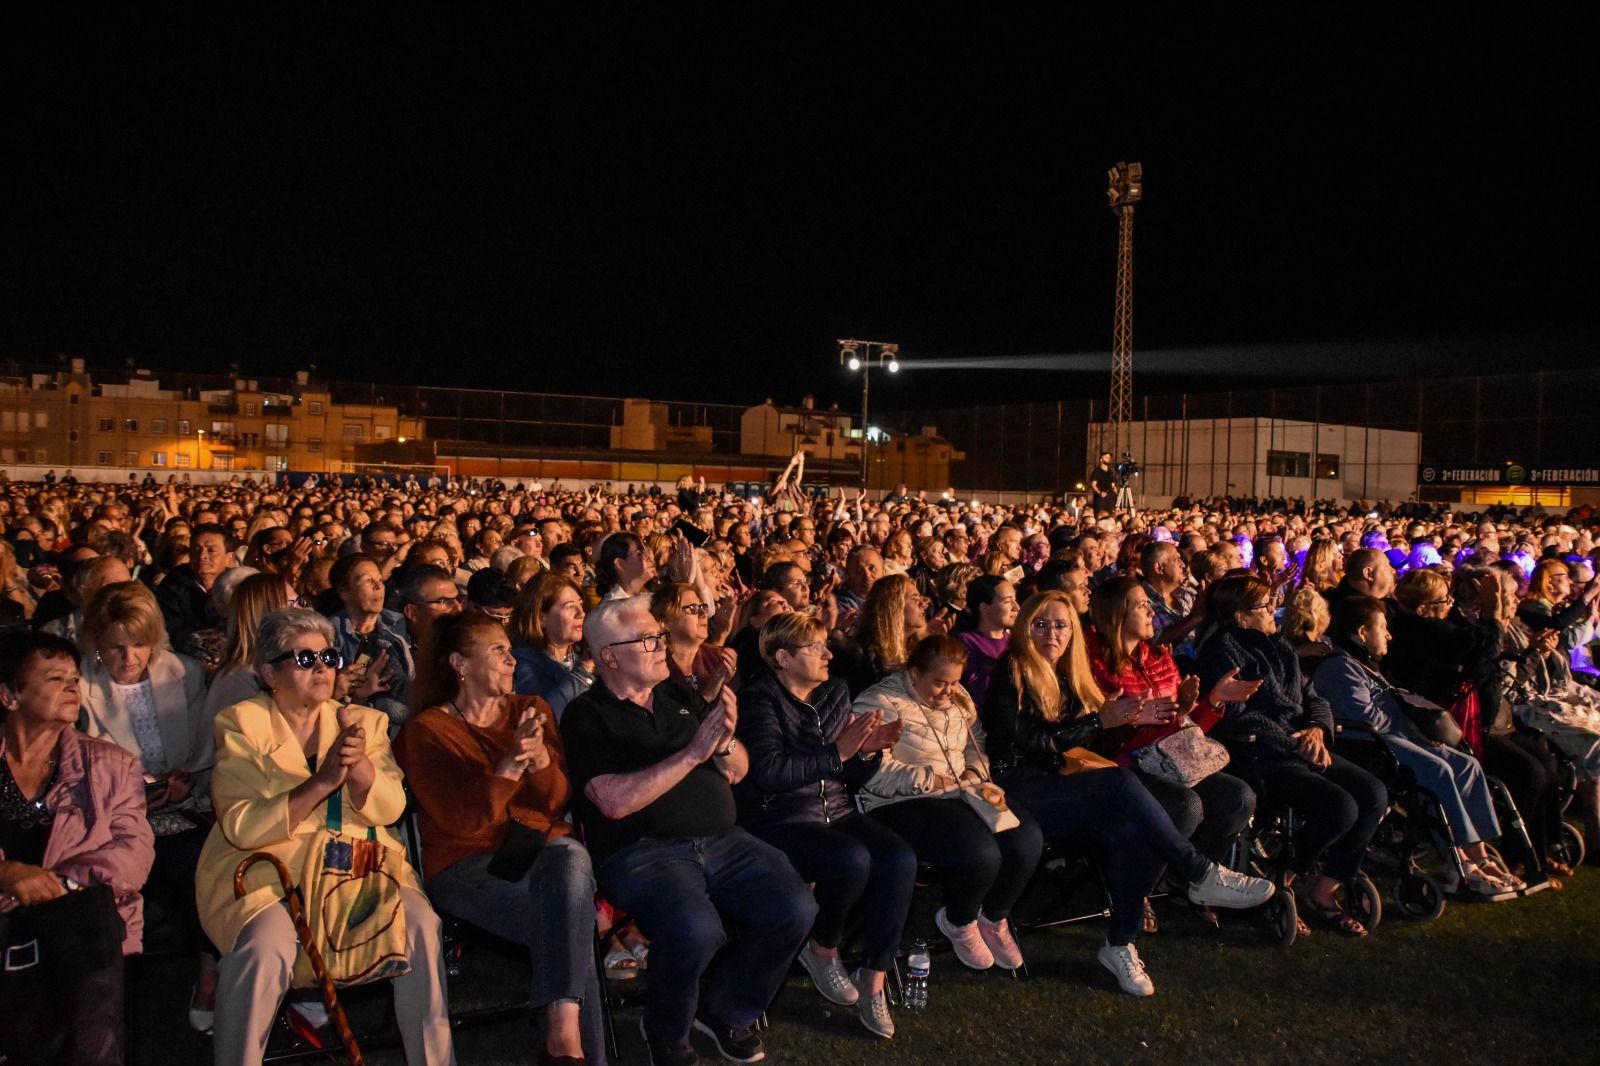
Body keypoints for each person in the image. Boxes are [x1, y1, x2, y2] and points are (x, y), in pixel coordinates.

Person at [559, 596, 816, 1066]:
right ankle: (666, 1032)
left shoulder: (680, 696)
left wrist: (725, 740)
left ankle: (727, 1008)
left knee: (795, 906)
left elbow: (738, 770)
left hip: (723, 839)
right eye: (647, 639)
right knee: (696, 929)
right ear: (610, 656)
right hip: (642, 852)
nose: (661, 646)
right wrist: (694, 753)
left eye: (659, 635)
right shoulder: (586, 715)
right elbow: (612, 802)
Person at [981, 591, 1275, 994]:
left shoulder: (1071, 675)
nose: (1052, 632)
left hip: (1064, 783)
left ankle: (1120, 942)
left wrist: (1127, 721)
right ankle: (1200, 872)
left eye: (1062, 624)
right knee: (1123, 785)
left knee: (1132, 832)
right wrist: (1100, 721)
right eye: (1041, 623)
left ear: (1073, 633)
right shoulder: (1012, 669)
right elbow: (1030, 744)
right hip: (1019, 786)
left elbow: (1093, 749)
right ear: (1024, 628)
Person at [196, 609, 453, 1066]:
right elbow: (240, 824)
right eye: (306, 658)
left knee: (420, 923)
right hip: (271, 877)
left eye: (329, 656)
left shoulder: (362, 722)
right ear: (270, 672)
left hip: (355, 868)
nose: (321, 667)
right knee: (264, 944)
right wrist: (320, 782)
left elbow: (391, 806)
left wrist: (360, 773)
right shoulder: (242, 724)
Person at [397, 613, 604, 1065]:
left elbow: (554, 801)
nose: (513, 660)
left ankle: (563, 1035)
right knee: (572, 918)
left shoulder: (531, 710)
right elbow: (462, 821)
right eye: (499, 651)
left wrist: (541, 762)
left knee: (569, 863)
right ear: (460, 663)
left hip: (540, 854)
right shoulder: (427, 731)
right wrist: (510, 765)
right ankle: (571, 1042)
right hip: (468, 865)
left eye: (511, 650)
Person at [735, 612, 914, 1038]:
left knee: (899, 859)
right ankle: (823, 946)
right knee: (848, 859)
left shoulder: (834, 692)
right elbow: (769, 773)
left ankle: (873, 980)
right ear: (783, 657)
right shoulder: (759, 699)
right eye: (815, 648)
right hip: (781, 818)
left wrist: (867, 753)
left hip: (837, 811)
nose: (827, 654)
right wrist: (838, 753)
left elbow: (847, 775)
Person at [1198, 576, 1388, 936]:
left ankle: (1324, 887)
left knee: (1372, 794)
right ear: (1240, 616)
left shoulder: (1281, 646)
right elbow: (1238, 716)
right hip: (1262, 753)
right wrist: (1294, 741)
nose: (1274, 611)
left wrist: (1317, 729)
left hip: (1303, 743)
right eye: (1264, 606)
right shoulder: (1223, 652)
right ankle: (1281, 879)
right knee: (1340, 806)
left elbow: (1313, 697)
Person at [0, 631, 155, 1065]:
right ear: (10, 696)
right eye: (54, 678)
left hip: (83, 931)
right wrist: (10, 875)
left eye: (74, 677)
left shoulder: (110, 764)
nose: (72, 686)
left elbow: (133, 851)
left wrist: (58, 884)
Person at [853, 635, 1043, 973]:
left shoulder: (958, 698)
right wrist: (927, 778)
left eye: (955, 682)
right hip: (901, 802)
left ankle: (994, 916)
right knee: (980, 851)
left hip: (960, 790)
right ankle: (959, 919)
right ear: (914, 674)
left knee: (1026, 838)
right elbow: (870, 773)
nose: (949, 691)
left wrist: (975, 768)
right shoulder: (878, 703)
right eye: (940, 683)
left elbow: (976, 740)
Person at [76, 580, 218, 1028]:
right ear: (97, 644)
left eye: (139, 645)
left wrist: (181, 782)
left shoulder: (184, 672)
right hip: (117, 816)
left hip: (183, 806)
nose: (129, 658)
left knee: (200, 867)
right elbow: (85, 762)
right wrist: (136, 795)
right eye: (116, 647)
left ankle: (209, 972)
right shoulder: (81, 686)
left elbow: (203, 747)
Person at [1315, 595, 1522, 895]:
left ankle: (1478, 853)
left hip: (1393, 737)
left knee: (1467, 764)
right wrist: (1415, 732)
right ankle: (1458, 860)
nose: (1388, 635)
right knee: (1436, 769)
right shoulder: (1339, 668)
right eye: (1382, 628)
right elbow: (1369, 718)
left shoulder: (1364, 666)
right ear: (1362, 632)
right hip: (1370, 746)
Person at [1085, 577, 1258, 884]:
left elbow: (1182, 729)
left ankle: (1184, 876)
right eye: (1141, 605)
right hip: (1126, 764)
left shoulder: (1159, 659)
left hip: (1169, 759)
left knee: (1239, 797)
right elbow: (1097, 739)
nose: (1152, 611)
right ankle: (1135, 885)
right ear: (1116, 614)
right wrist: (1135, 720)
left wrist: (1210, 701)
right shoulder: (1094, 667)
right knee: (1185, 805)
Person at [328, 554, 414, 727]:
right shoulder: (328, 635)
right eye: (368, 581)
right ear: (344, 592)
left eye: (380, 580)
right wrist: (337, 691)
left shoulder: (400, 624)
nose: (378, 586)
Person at [510, 572, 595, 719]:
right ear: (541, 617)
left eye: (580, 605)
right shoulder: (523, 664)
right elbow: (540, 717)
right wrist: (583, 675)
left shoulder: (579, 658)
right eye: (570, 607)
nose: (581, 613)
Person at [955, 575, 1018, 707]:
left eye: (1015, 600)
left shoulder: (1014, 642)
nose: (1016, 607)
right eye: (1007, 602)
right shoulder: (965, 643)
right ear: (984, 608)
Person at [595, 532, 655, 601]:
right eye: (640, 553)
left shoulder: (646, 597)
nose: (649, 557)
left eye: (646, 552)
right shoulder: (613, 608)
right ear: (620, 564)